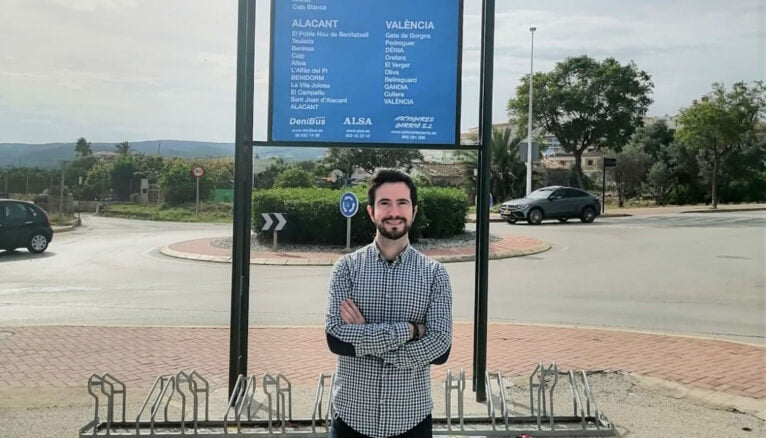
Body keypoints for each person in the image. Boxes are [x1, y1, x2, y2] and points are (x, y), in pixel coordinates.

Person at [325, 169, 453, 438]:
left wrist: (364, 339)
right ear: (371, 212)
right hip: (351, 420)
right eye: (385, 203)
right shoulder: (346, 269)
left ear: (413, 211)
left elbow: (441, 348)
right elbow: (336, 339)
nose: (394, 211)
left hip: (411, 422)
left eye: (402, 203)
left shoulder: (435, 274)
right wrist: (412, 331)